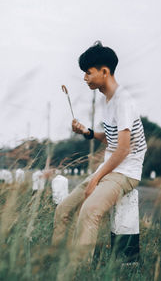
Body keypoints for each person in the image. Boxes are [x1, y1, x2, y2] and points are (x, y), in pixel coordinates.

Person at [52, 41, 147, 271]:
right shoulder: (108, 100)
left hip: (126, 172)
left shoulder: (123, 100)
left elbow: (124, 149)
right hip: (110, 169)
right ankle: (54, 260)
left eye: (88, 72)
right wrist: (88, 132)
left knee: (89, 211)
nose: (84, 77)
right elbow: (113, 138)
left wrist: (95, 179)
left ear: (104, 72)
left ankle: (77, 270)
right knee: (63, 210)